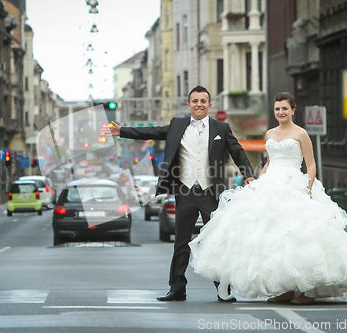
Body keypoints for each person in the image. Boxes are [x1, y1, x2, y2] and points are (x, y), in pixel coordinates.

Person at [189, 92, 347, 304]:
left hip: (294, 183)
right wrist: (258, 182)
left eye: (285, 108)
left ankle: (305, 291)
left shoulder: (301, 133)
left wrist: (308, 187)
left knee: (299, 236)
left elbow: (311, 165)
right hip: (271, 182)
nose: (280, 112)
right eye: (277, 109)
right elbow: (268, 162)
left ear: (293, 110)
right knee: (271, 239)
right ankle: (284, 289)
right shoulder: (269, 133)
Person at [103, 85, 255, 302]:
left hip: (210, 192)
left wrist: (248, 173)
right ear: (189, 104)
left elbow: (237, 151)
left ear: (209, 105)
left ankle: (224, 290)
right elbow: (153, 131)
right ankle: (177, 288)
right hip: (184, 192)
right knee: (180, 243)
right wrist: (123, 132)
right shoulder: (177, 125)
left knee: (215, 242)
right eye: (195, 101)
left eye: (203, 101)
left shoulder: (221, 128)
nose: (199, 104)